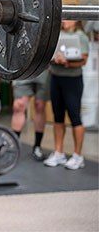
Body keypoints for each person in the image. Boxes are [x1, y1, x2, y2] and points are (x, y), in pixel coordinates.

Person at [44, 20, 89, 170]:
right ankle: (59, 153)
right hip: (56, 78)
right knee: (58, 117)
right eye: (63, 18)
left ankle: (78, 156)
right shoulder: (57, 35)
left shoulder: (81, 36)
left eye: (68, 18)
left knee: (75, 117)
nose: (64, 21)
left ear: (76, 20)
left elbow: (83, 60)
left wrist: (67, 62)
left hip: (73, 81)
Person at [11, 70, 50, 161]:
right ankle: (13, 147)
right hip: (23, 68)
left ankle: (37, 146)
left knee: (40, 105)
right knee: (19, 105)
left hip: (43, 67)